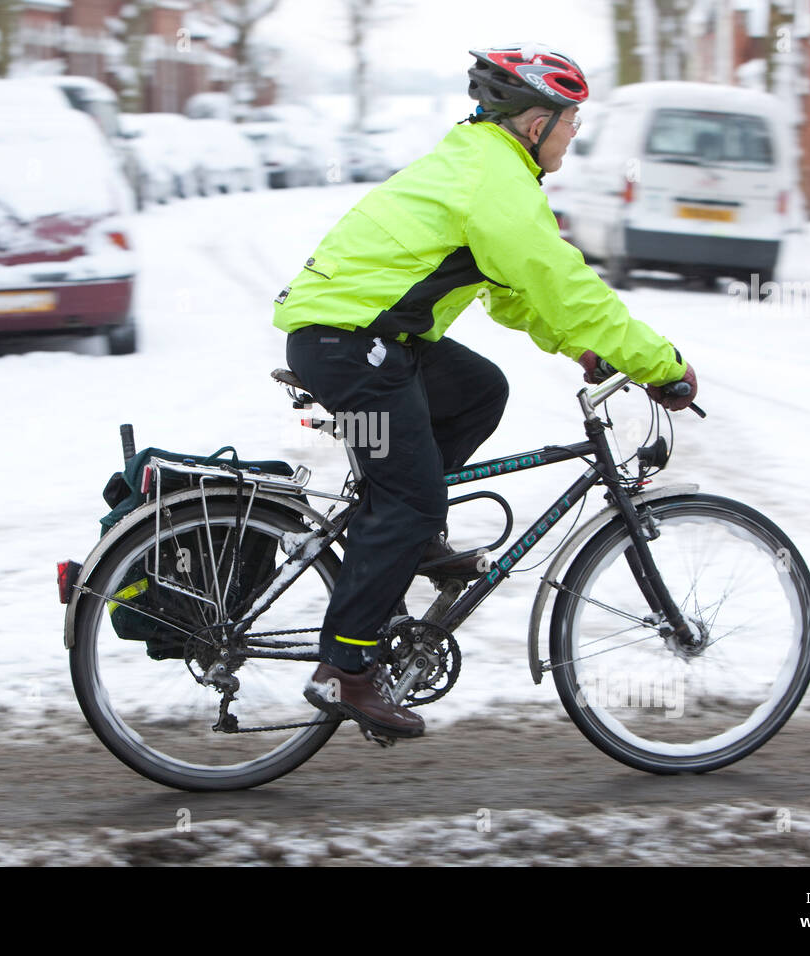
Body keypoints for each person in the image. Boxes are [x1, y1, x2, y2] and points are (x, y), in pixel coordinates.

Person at [272, 44, 698, 740]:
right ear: (536, 124)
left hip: (357, 337)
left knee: (478, 391)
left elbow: (516, 294)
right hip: (351, 343)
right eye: (571, 122)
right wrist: (659, 362)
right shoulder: (495, 181)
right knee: (410, 495)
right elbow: (564, 285)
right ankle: (344, 672)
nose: (573, 135)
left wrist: (584, 346)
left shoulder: (482, 164)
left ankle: (411, 538)